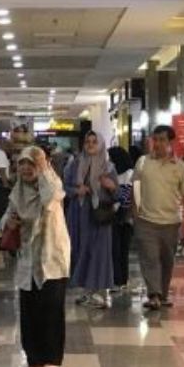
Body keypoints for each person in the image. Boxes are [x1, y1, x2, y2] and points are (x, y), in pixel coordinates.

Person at [5, 146, 72, 367]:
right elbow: (7, 215)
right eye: (22, 163)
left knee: (51, 308)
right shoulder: (18, 191)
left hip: (52, 255)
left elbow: (49, 197)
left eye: (31, 164)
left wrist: (43, 168)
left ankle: (52, 360)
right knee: (29, 309)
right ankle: (34, 359)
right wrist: (9, 222)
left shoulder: (53, 184)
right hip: (28, 257)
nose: (26, 168)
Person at [133, 125, 184, 310]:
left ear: (170, 142)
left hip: (171, 222)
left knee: (167, 260)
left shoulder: (180, 167)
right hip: (146, 220)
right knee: (150, 258)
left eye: (162, 140)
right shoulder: (143, 162)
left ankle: (163, 294)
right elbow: (135, 187)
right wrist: (135, 212)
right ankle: (154, 295)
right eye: (155, 139)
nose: (158, 144)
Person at [67, 132, 117, 309]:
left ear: (101, 145)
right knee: (81, 250)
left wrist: (111, 187)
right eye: (87, 141)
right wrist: (76, 191)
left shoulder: (108, 167)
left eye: (94, 142)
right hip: (79, 214)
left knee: (99, 253)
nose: (90, 144)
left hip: (100, 216)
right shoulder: (75, 165)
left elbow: (119, 194)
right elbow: (64, 187)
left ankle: (99, 293)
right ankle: (87, 291)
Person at [108, 147, 135, 292]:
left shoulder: (129, 174)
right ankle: (119, 279)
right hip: (116, 215)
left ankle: (121, 280)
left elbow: (127, 194)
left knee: (121, 249)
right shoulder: (114, 173)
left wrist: (115, 206)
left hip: (124, 216)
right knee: (116, 249)